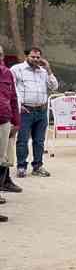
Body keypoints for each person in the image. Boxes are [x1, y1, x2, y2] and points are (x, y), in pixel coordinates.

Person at [10, 47, 58, 178]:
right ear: (27, 56)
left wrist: (48, 69)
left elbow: (54, 87)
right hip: (25, 111)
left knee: (39, 141)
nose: (36, 59)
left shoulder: (43, 72)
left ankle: (37, 166)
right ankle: (21, 166)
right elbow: (11, 88)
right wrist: (18, 105)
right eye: (33, 57)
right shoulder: (16, 69)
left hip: (41, 111)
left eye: (38, 57)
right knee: (22, 140)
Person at [0, 45, 20, 222]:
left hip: (3, 122)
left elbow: (13, 98)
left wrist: (16, 121)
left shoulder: (6, 73)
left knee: (1, 162)